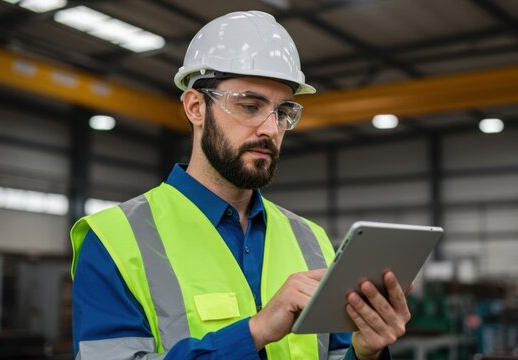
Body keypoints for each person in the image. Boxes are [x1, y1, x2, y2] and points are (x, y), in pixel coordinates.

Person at [71, 10, 411, 360]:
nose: (271, 129)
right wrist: (255, 332)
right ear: (195, 107)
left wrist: (364, 352)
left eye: (282, 113)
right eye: (250, 106)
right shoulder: (114, 239)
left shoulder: (311, 239)